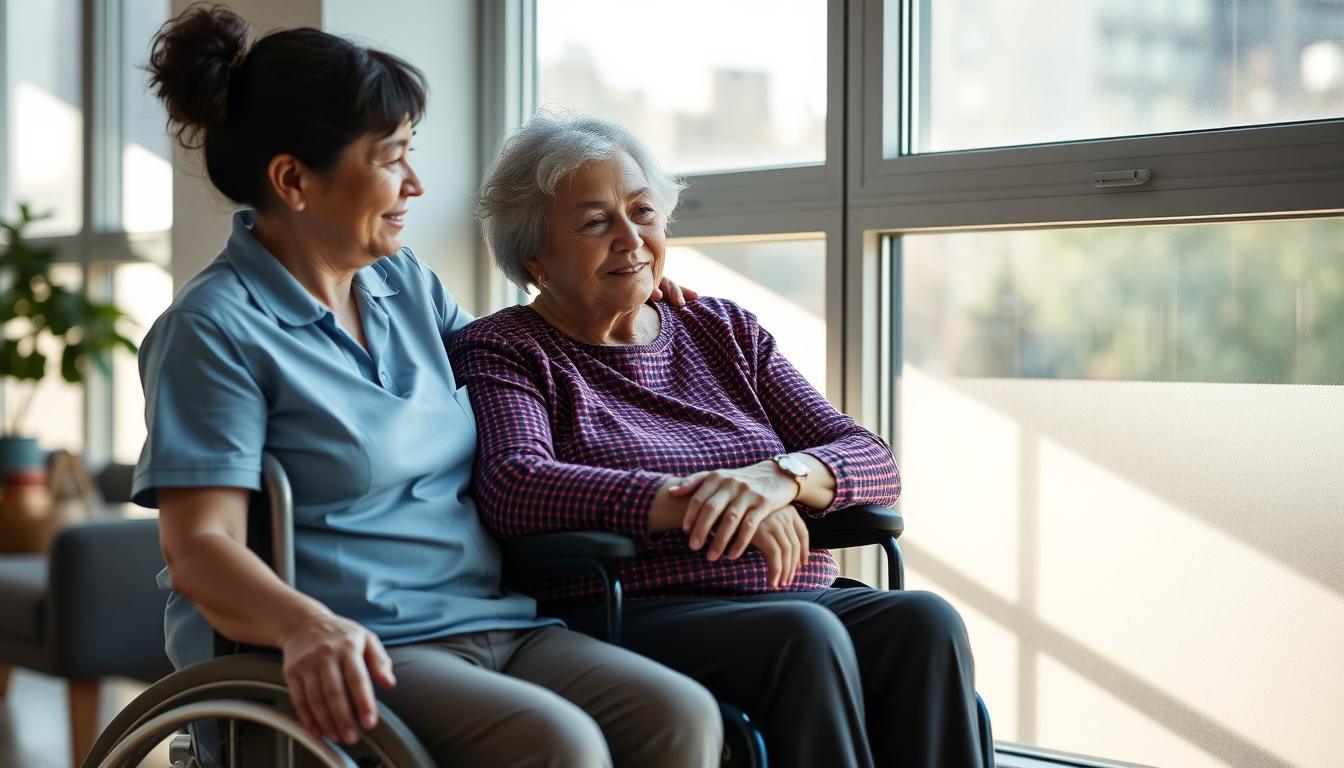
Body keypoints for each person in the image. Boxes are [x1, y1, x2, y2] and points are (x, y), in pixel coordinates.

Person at [132, 9, 720, 768]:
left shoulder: (400, 282)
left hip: (495, 620)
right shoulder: (213, 330)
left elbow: (520, 359)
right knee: (559, 745)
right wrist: (307, 626)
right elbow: (199, 547)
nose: (415, 184)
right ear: (293, 180)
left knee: (680, 717)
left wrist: (623, 297)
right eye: (391, 159)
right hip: (353, 650)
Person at [449, 111, 984, 768]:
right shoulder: (506, 347)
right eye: (595, 223)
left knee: (926, 622)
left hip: (790, 595)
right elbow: (516, 485)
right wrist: (698, 495)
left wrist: (777, 477)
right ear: (534, 254)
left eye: (642, 212)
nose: (631, 239)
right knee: (804, 632)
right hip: (636, 609)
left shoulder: (719, 328)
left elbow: (870, 457)